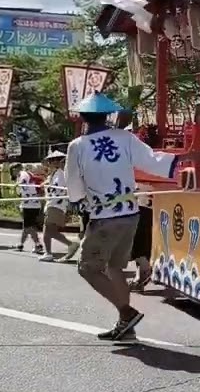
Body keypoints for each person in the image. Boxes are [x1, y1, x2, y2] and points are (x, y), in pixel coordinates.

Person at [65, 93, 179, 343]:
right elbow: (152, 160)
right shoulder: (125, 138)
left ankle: (127, 313)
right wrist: (181, 164)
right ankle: (126, 326)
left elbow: (73, 184)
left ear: (82, 117)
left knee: (88, 268)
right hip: (129, 212)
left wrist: (77, 201)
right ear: (108, 115)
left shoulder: (78, 145)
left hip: (104, 216)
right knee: (115, 268)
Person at [40, 150, 78, 262]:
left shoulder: (62, 173)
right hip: (52, 203)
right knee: (48, 230)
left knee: (48, 230)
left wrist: (48, 186)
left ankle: (69, 244)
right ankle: (51, 251)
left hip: (56, 204)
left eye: (57, 160)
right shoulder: (54, 174)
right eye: (51, 160)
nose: (53, 162)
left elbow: (58, 189)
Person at [128, 183, 155, 292]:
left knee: (140, 232)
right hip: (138, 195)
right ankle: (143, 268)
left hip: (147, 195)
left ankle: (144, 268)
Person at [14, 162, 45, 253]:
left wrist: (17, 184)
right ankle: (21, 244)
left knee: (28, 226)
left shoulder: (22, 174)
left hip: (29, 204)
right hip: (33, 203)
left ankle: (38, 244)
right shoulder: (29, 174)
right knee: (27, 225)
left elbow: (22, 182)